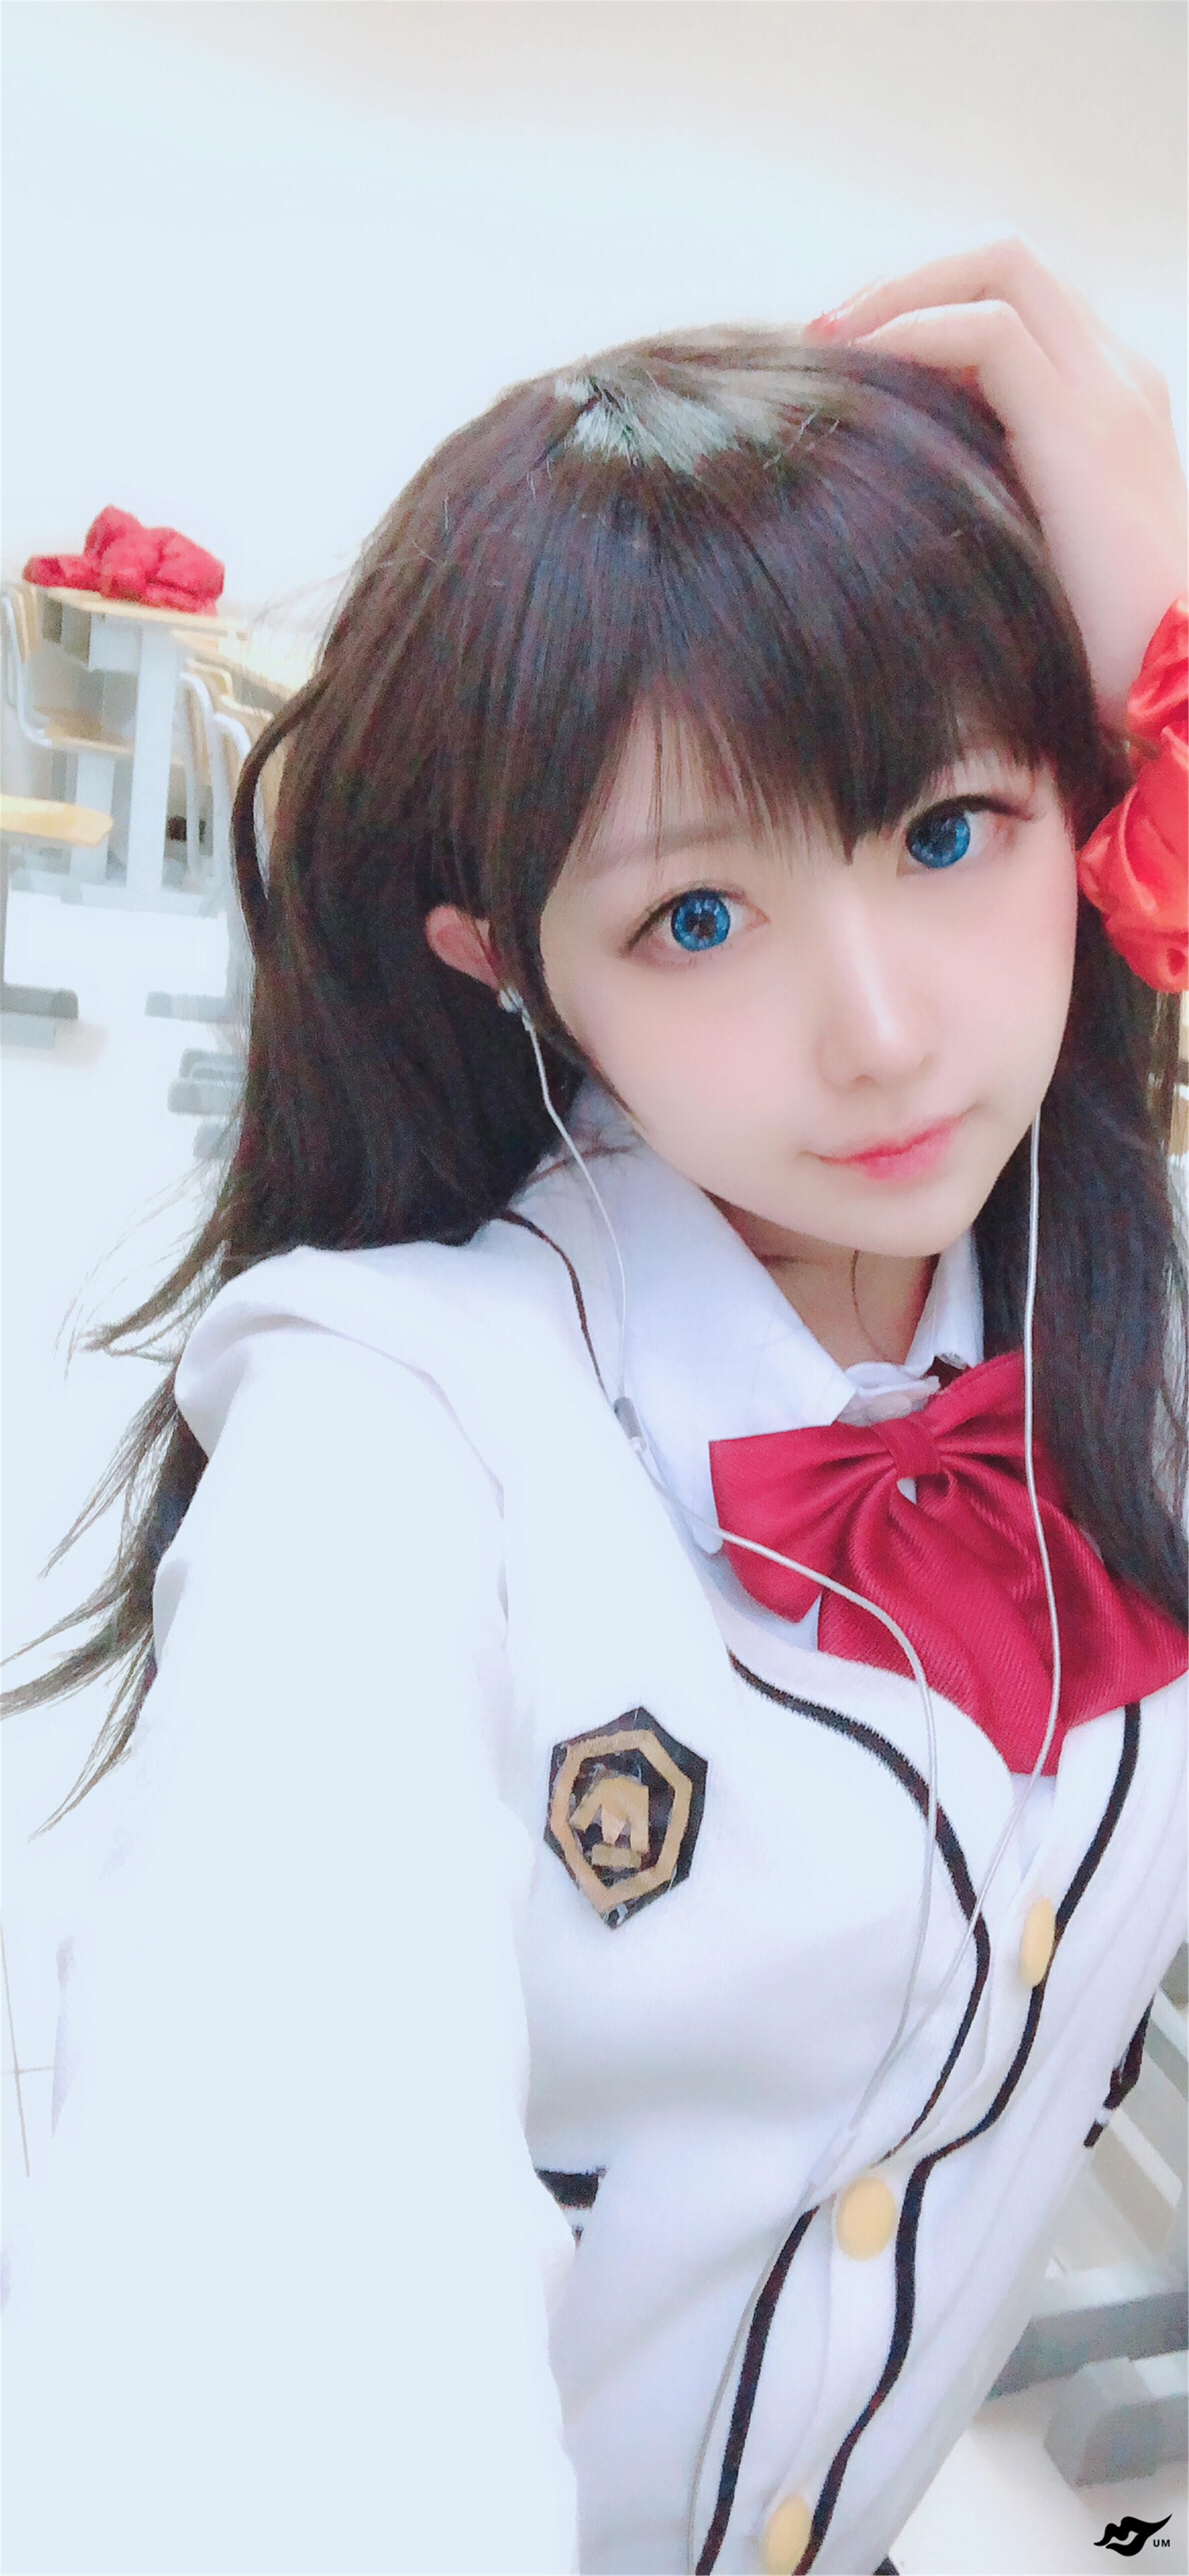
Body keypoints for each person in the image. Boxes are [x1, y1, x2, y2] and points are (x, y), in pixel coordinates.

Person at [3, 242, 1186, 2576]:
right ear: (507, 963)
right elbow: (271, 2299)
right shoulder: (393, 1437)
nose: (885, 1031)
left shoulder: (1128, 1341)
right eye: (696, 921)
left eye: (954, 829)